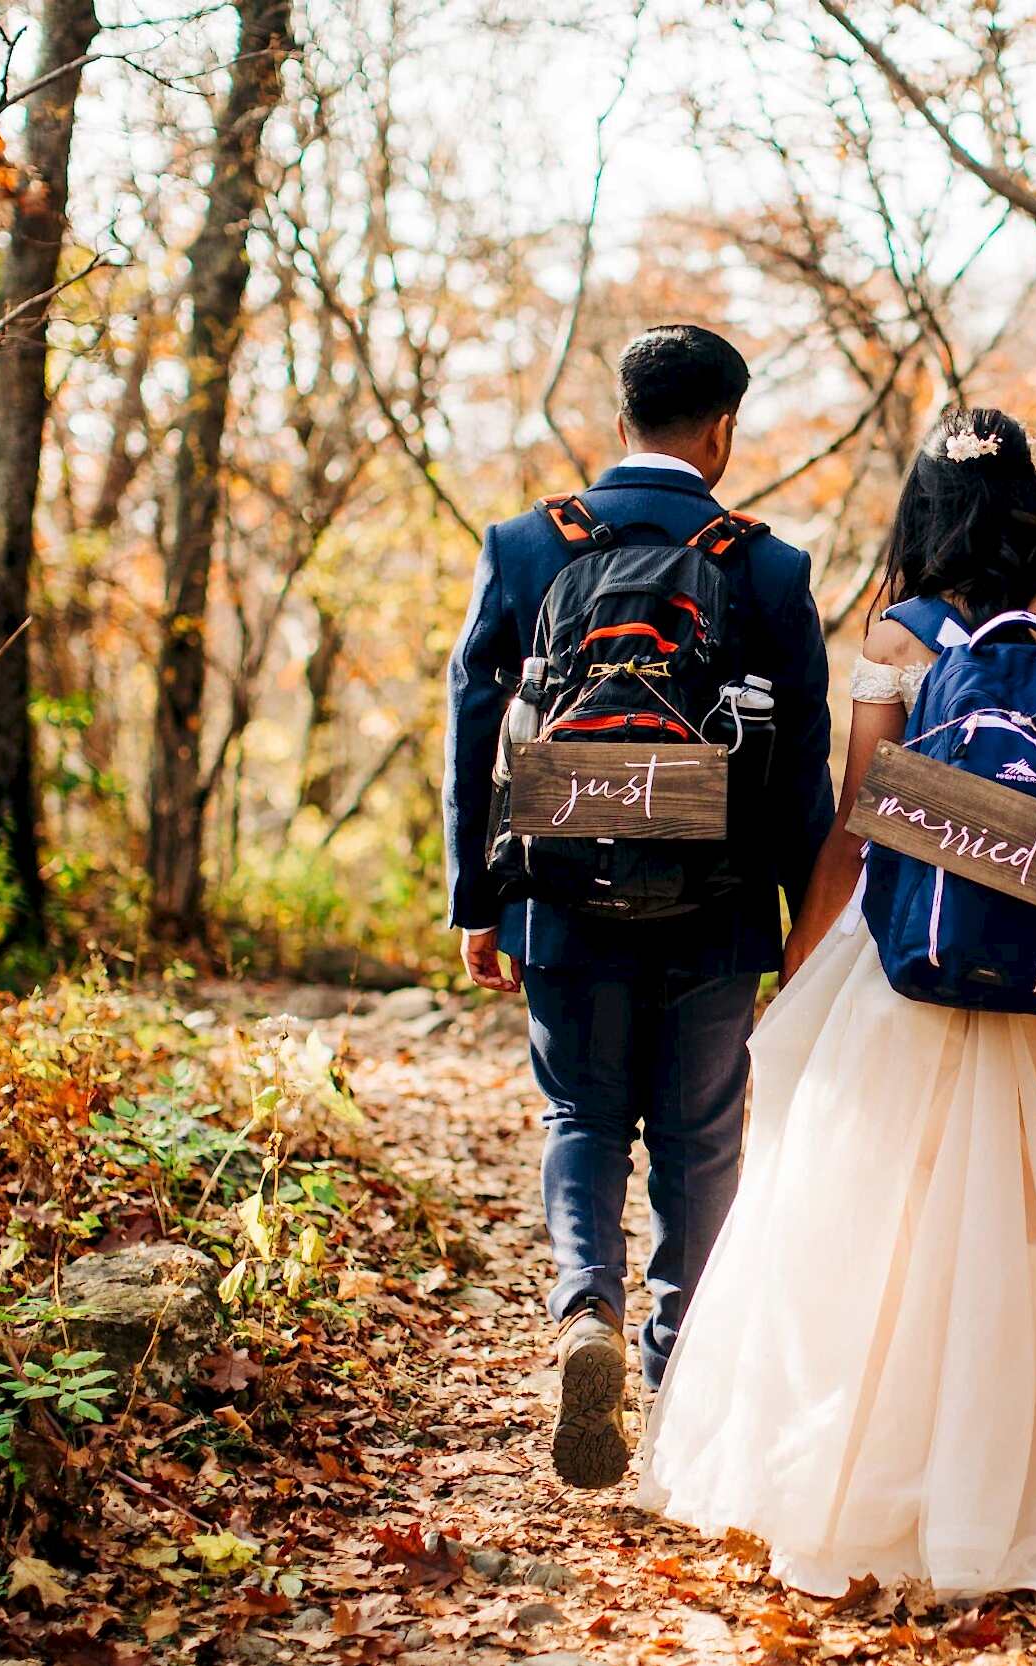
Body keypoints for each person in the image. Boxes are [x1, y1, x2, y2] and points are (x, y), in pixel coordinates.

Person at [636, 407, 1036, 1594]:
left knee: (909, 1207)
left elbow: (857, 818)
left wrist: (798, 968)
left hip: (916, 944)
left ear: (923, 510)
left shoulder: (904, 631)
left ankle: (923, 1454)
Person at [443, 324, 834, 1489]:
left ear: (621, 417)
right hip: (716, 907)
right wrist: (798, 920)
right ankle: (680, 1376)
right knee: (702, 1136)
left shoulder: (525, 545)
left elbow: (473, 728)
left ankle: (585, 1316)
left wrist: (477, 897)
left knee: (581, 1118)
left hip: (560, 891)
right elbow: (803, 763)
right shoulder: (767, 566)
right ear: (721, 431)